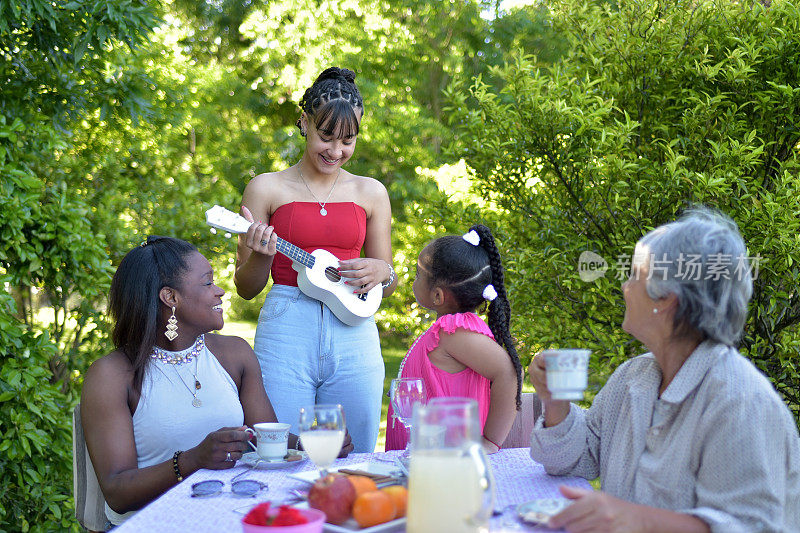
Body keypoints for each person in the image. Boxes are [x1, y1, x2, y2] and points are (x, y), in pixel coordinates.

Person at [529, 207, 800, 532]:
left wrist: (634, 518)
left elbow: (753, 527)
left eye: (633, 275)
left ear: (667, 298)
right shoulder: (634, 376)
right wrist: (554, 400)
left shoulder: (741, 401)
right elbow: (581, 456)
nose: (625, 288)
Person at [81, 237, 353, 526]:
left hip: (236, 513)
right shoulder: (111, 375)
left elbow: (267, 437)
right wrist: (192, 460)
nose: (220, 291)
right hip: (157, 522)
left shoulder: (234, 353)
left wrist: (311, 444)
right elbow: (117, 492)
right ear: (170, 297)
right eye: (208, 282)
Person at [234, 66, 396, 453]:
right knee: (281, 449)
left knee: (354, 455)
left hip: (355, 332)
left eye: (348, 141)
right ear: (304, 122)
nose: (336, 151)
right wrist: (260, 255)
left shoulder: (371, 192)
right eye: (327, 137)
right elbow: (245, 288)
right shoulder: (265, 187)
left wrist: (381, 272)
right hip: (286, 326)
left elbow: (386, 282)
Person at [386, 224, 522, 454]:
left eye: (419, 274)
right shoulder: (446, 332)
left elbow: (506, 372)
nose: (414, 279)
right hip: (426, 456)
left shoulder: (453, 332)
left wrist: (490, 441)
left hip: (445, 460)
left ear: (438, 295)